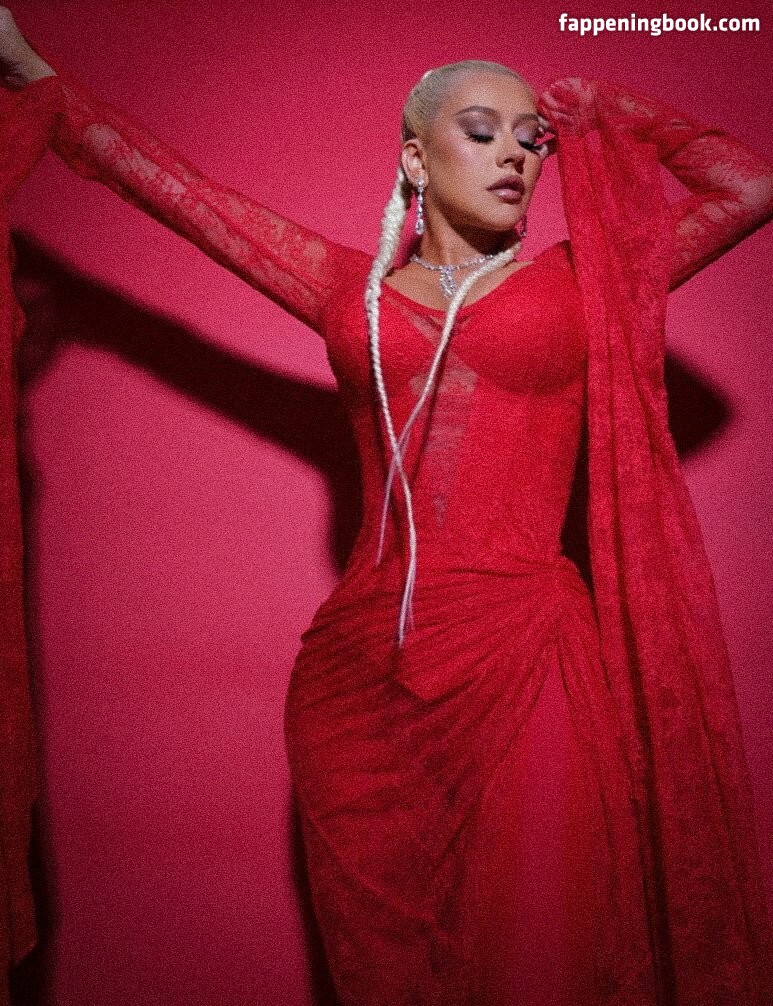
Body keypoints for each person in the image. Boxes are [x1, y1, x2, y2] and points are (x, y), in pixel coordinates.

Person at [2, 9, 773, 1005]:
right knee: (388, 974)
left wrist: (607, 110)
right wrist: (31, 69)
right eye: (481, 131)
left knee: (544, 953)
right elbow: (183, 195)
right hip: (362, 679)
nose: (515, 155)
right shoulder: (350, 292)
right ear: (415, 158)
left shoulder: (591, 281)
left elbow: (747, 186)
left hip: (521, 654)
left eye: (532, 139)